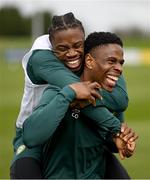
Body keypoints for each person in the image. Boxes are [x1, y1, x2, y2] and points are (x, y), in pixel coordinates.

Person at [10, 12, 137, 179]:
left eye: (77, 45)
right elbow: (78, 91)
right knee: (24, 170)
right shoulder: (41, 57)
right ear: (52, 45)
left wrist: (118, 138)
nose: (72, 53)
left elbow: (119, 100)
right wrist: (116, 129)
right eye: (62, 48)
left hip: (82, 132)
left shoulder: (95, 56)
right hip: (37, 130)